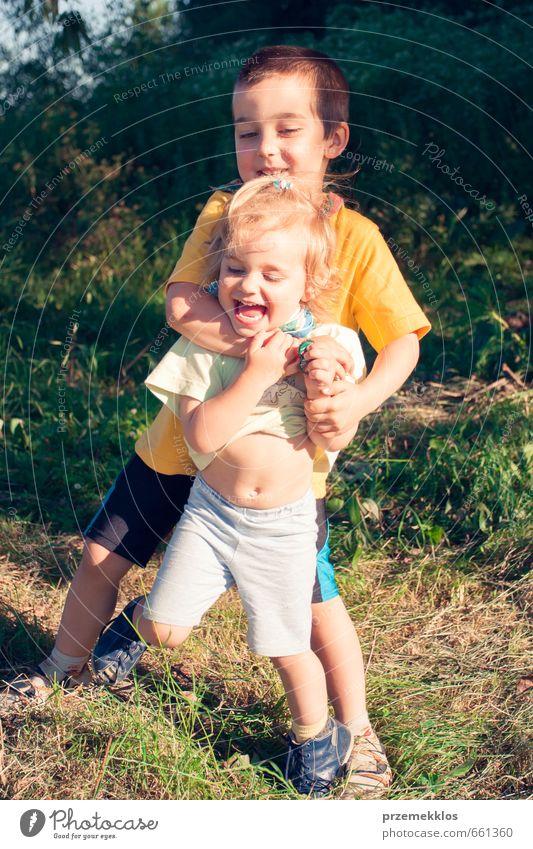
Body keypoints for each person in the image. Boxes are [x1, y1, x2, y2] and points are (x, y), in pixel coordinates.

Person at [4, 45, 430, 799]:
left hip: (281, 474)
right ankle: (61, 669)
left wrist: (355, 400)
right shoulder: (222, 213)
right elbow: (181, 303)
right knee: (103, 552)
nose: (264, 148)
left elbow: (400, 339)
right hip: (184, 440)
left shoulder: (355, 238)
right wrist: (270, 352)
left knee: (313, 604)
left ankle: (353, 732)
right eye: (245, 131)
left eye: (287, 129)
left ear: (332, 138)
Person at [94, 175, 366, 796]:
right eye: (237, 269)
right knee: (167, 630)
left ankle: (314, 735)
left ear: (308, 285)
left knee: (285, 642)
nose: (250, 285)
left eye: (273, 274)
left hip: (285, 527)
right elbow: (203, 437)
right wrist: (256, 372)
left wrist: (326, 387)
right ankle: (137, 622)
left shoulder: (329, 344)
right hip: (211, 515)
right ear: (218, 271)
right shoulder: (203, 349)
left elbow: (335, 438)